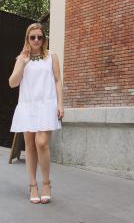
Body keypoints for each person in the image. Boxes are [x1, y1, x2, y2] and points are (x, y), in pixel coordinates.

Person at [9, 23, 64, 204]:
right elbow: (13, 83)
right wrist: (22, 64)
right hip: (28, 105)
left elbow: (57, 80)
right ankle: (33, 186)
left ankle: (46, 183)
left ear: (44, 39)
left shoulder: (51, 56)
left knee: (41, 142)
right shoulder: (21, 58)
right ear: (27, 39)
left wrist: (60, 104)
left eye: (40, 37)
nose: (36, 40)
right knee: (30, 145)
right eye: (33, 37)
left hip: (47, 104)